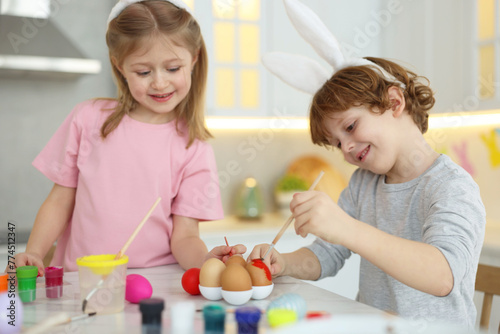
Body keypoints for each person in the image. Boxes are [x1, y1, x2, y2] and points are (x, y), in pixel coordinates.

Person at [250, 55, 486, 328]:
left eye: (350, 127)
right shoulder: (363, 184)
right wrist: (283, 262)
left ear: (395, 102)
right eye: (337, 143)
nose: (346, 148)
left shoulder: (451, 186)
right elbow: (327, 255)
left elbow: (443, 275)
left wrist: (345, 228)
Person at [10, 0, 244, 274]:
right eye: (143, 72)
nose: (159, 82)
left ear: (193, 59)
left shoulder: (194, 147)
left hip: (155, 281)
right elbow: (60, 201)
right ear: (119, 65)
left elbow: (185, 236)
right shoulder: (88, 119)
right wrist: (35, 252)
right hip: (81, 281)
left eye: (172, 68)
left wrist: (206, 263)